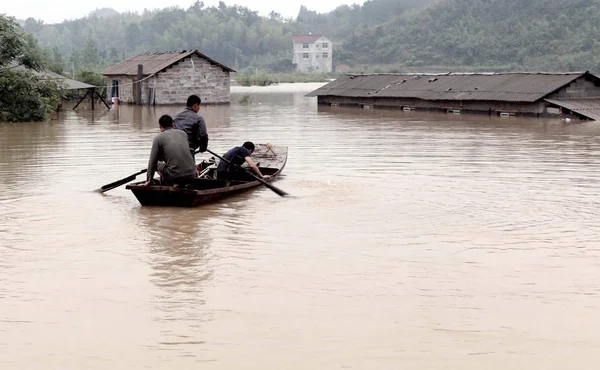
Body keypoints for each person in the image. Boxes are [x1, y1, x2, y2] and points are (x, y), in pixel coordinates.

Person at [144, 115, 198, 186]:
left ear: (160, 126)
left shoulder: (158, 138)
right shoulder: (183, 134)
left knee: (157, 164)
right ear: (173, 124)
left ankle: (166, 182)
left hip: (175, 176)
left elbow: (152, 161)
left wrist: (148, 179)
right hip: (192, 174)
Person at [173, 94, 208, 159]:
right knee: (190, 167)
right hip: (188, 150)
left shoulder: (175, 116)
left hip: (173, 149)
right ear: (195, 105)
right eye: (199, 106)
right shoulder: (198, 118)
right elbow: (203, 136)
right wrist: (203, 148)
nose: (199, 108)